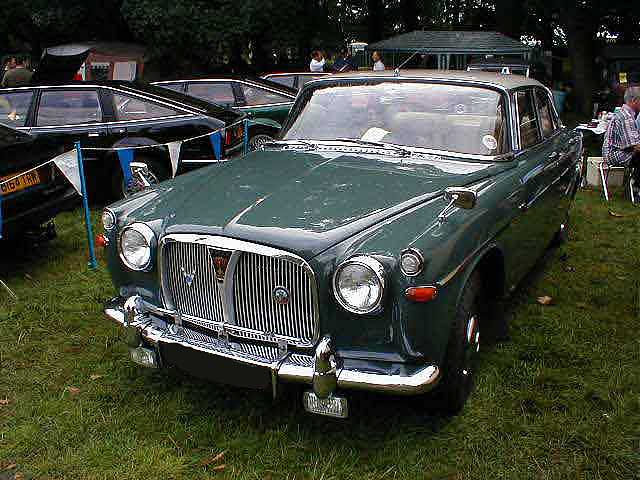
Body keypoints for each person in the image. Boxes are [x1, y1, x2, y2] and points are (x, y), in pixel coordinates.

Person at [602, 86, 640, 198]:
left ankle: (635, 186)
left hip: (619, 151)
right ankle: (636, 189)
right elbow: (634, 146)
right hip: (615, 154)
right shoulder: (626, 117)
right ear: (634, 101)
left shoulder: (626, 114)